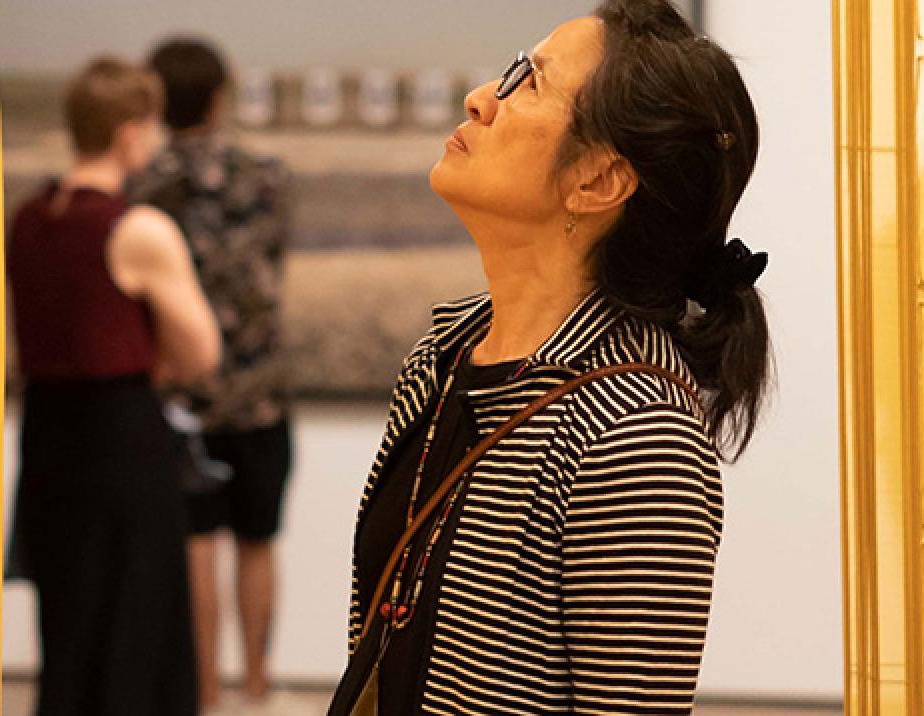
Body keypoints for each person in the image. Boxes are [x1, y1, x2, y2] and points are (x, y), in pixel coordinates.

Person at [326, 0, 769, 713]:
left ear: (597, 181)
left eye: (528, 83)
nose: (481, 99)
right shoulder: (441, 357)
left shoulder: (636, 432)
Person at [6, 55, 220, 716]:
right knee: (136, 618)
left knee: (69, 619)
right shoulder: (139, 230)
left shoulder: (29, 217)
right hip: (119, 437)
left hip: (47, 434)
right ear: (131, 130)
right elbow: (202, 354)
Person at [127, 35, 297, 711]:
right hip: (259, 395)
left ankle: (204, 694)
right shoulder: (270, 177)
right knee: (257, 542)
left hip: (179, 399)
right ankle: (255, 685)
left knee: (195, 547)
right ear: (220, 97)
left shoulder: (145, 187)